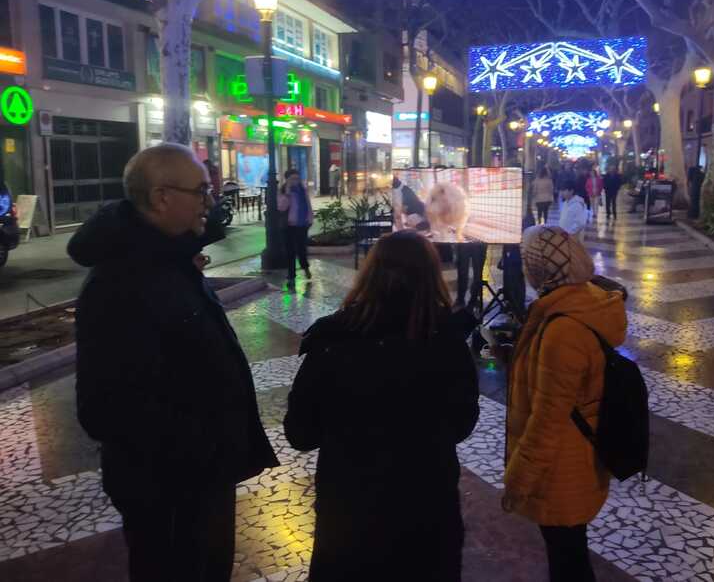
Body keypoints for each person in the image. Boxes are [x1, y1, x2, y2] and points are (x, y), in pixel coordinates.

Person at [69, 144, 278, 582]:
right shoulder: (120, 284)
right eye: (201, 191)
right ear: (161, 198)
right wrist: (199, 451)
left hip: (203, 477)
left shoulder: (169, 257)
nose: (210, 201)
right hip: (171, 490)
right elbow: (105, 408)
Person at [283, 230, 480, 582]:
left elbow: (300, 433)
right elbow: (462, 423)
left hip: (349, 515)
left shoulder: (331, 340)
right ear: (431, 276)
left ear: (369, 273)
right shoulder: (447, 342)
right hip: (427, 510)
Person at [503, 226, 626, 582]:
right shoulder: (586, 302)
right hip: (582, 456)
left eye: (527, 262)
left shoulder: (563, 328)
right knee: (570, 552)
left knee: (567, 561)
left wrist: (518, 480)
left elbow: (548, 420)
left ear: (539, 269)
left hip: (561, 468)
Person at [277, 168, 314, 287]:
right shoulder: (283, 190)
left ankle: (305, 267)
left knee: (302, 250)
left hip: (302, 224)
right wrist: (287, 193)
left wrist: (310, 218)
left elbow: (308, 205)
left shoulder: (302, 189)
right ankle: (291, 276)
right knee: (290, 252)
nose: (295, 181)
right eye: (292, 179)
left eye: (297, 178)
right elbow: (281, 207)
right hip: (289, 226)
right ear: (287, 180)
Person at [456, 241, 488, 311]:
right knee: (462, 271)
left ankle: (473, 301)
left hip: (479, 242)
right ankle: (460, 299)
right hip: (464, 241)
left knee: (477, 274)